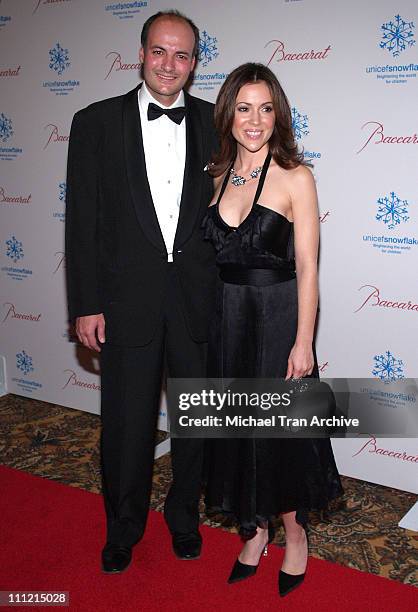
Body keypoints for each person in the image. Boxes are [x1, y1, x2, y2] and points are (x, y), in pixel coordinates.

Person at [65, 10, 218, 573]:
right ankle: (122, 529)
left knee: (195, 425)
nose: (169, 64)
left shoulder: (217, 123)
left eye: (182, 55)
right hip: (125, 302)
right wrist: (84, 303)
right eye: (160, 51)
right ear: (141, 53)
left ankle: (185, 520)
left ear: (194, 63)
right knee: (127, 427)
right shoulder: (95, 123)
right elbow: (81, 223)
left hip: (198, 304)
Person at [201, 63, 344, 596]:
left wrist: (303, 340)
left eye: (265, 108)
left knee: (281, 434)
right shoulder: (217, 175)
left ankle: (294, 532)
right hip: (227, 319)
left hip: (279, 316)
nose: (254, 120)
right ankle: (255, 530)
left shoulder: (296, 176)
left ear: (277, 114)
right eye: (244, 108)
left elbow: (308, 266)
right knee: (238, 430)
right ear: (228, 114)